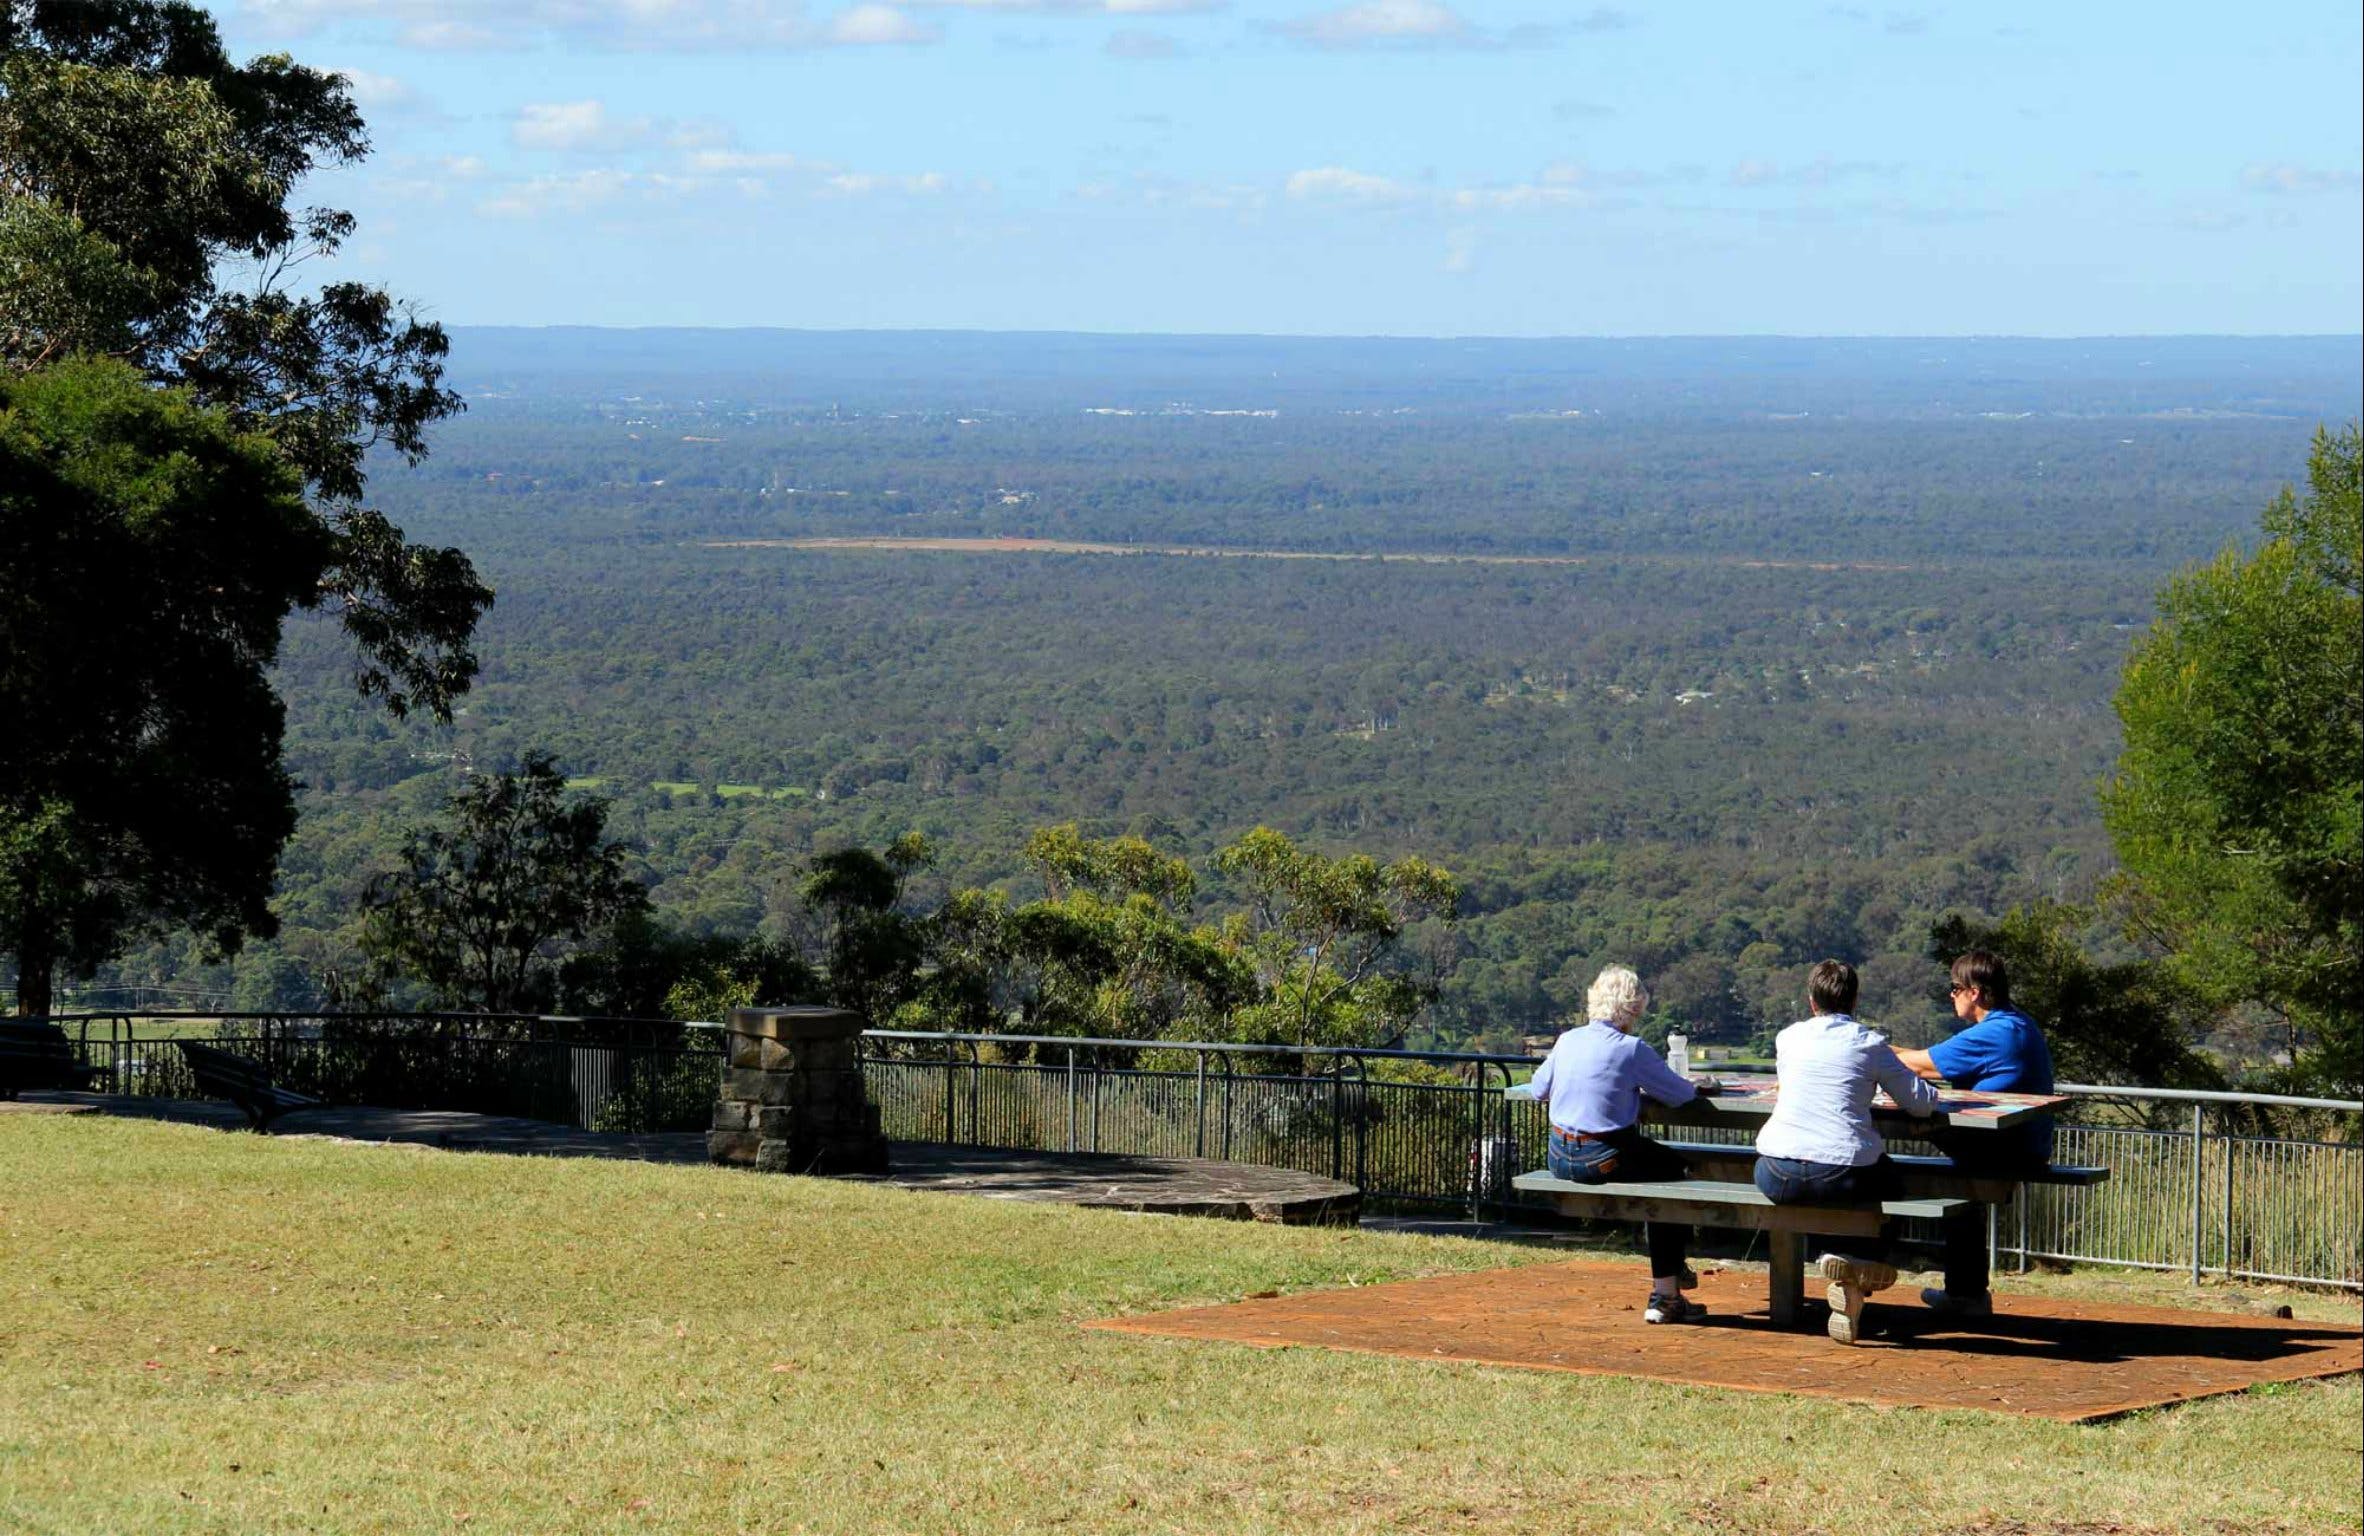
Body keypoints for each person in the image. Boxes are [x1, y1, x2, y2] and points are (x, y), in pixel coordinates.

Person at [1753, 959, 1941, 1345]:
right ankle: (1859, 1259)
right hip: (1841, 1172)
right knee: (1891, 1182)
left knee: (1839, 1182)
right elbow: (1919, 1103)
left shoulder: (1788, 1038)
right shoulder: (1869, 1044)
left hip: (1775, 1171)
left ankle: (1845, 1270)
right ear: (1855, 1000)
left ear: (1811, 1001)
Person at [1526, 964, 1707, 1324]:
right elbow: (1681, 1095)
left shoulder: (1568, 1040)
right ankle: (1667, 1292)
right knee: (1673, 1176)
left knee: (1660, 1168)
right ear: (1634, 1007)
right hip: (1603, 1157)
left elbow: (1537, 1090)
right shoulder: (1631, 1048)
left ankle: (1674, 1271)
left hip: (1559, 1154)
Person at [1893, 948, 2057, 1321]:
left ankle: (1867, 1257)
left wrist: (1865, 1050)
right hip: (2018, 1143)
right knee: (1950, 1173)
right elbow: (1924, 1065)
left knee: (1897, 1147)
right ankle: (1966, 1294)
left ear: (1976, 992)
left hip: (2006, 1148)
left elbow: (1918, 1063)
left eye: (1954, 988)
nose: (1950, 996)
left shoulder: (1995, 1032)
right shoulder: (2017, 1024)